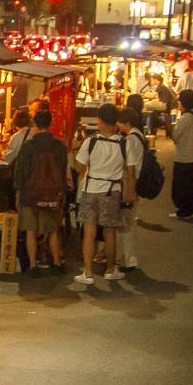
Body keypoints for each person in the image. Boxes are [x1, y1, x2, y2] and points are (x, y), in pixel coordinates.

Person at [74, 103, 136, 284]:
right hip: (112, 191)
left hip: (90, 189)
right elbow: (131, 173)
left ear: (99, 121)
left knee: (89, 232)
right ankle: (110, 270)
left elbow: (79, 166)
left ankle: (87, 273)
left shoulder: (91, 141)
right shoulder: (124, 143)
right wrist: (130, 195)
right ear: (116, 122)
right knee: (110, 233)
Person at [13, 108, 69, 274]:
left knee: (31, 230)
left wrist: (18, 192)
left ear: (34, 124)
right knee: (52, 230)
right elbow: (62, 169)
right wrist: (62, 193)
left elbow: (20, 172)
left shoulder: (28, 146)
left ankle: (32, 265)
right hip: (52, 193)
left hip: (29, 194)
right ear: (51, 124)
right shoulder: (59, 146)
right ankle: (57, 263)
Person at [114, 108, 149, 271]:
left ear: (126, 122)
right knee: (128, 223)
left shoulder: (130, 140)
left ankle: (128, 260)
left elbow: (130, 168)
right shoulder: (139, 136)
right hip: (136, 183)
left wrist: (130, 192)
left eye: (119, 122)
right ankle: (126, 257)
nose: (117, 125)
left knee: (125, 224)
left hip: (129, 184)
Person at [171, 88, 193, 218]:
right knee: (191, 186)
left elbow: (175, 135)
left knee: (181, 186)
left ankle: (183, 210)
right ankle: (190, 209)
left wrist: (170, 123)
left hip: (184, 157)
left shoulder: (186, 117)